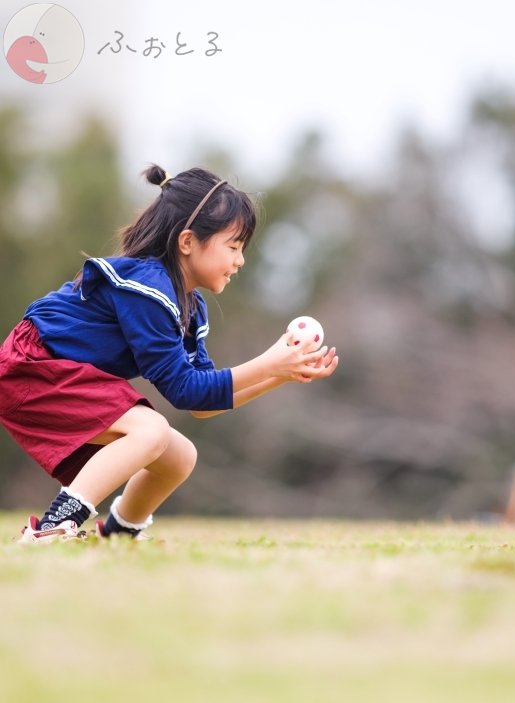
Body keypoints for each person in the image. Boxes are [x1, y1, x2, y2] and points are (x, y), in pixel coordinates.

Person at [0, 164, 339, 544]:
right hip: (32, 368)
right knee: (150, 431)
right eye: (233, 246)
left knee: (179, 456)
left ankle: (120, 532)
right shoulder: (147, 287)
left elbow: (202, 402)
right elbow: (184, 390)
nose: (240, 261)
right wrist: (268, 363)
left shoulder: (189, 307)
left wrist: (280, 374)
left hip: (60, 373)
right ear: (188, 241)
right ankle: (52, 527)